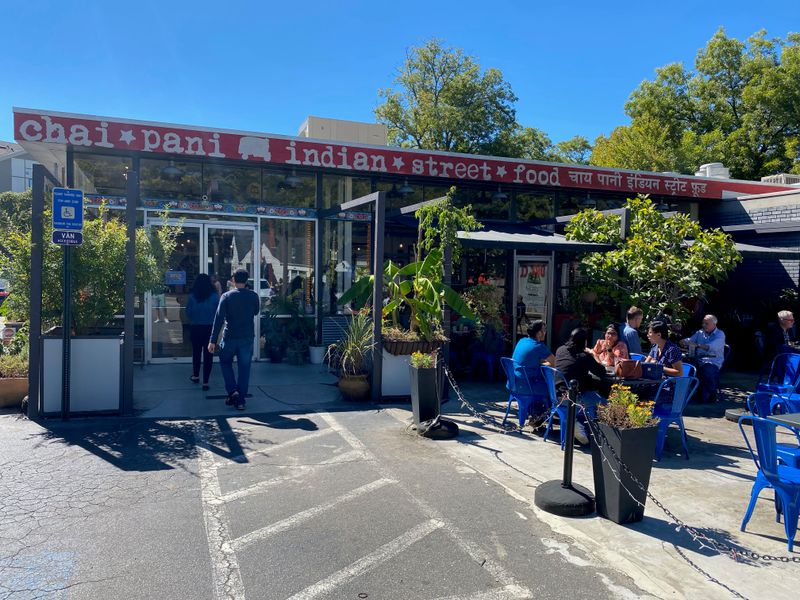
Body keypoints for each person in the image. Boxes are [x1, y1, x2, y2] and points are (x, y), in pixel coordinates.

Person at [208, 269, 260, 410]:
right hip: (247, 337)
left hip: (230, 336)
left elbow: (218, 319)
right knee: (244, 369)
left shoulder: (226, 296)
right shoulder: (254, 296)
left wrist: (212, 340)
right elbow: (256, 311)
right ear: (247, 280)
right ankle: (241, 401)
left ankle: (232, 391)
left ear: (233, 280)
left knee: (225, 363)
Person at [555, 328, 609, 444]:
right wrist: (593, 354)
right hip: (573, 398)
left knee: (591, 388)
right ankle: (601, 436)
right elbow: (601, 372)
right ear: (584, 341)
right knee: (606, 402)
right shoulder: (583, 356)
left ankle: (576, 422)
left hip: (557, 395)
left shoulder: (560, 350)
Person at [511, 320, 555, 424]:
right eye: (544, 330)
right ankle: (540, 417)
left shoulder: (522, 341)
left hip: (515, 384)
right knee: (552, 390)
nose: (545, 332)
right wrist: (546, 364)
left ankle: (535, 413)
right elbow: (555, 363)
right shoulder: (539, 346)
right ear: (539, 333)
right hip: (528, 386)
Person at [186, 274, 220, 391]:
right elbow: (219, 314)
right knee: (208, 355)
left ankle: (195, 376)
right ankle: (206, 382)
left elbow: (188, 313)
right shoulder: (215, 297)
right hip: (210, 329)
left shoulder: (192, 297)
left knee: (196, 353)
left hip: (195, 328)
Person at [681, 314, 725, 403]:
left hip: (713, 361)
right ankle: (692, 393)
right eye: (703, 323)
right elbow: (690, 340)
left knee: (707, 373)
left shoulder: (720, 334)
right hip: (699, 359)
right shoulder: (700, 332)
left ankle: (712, 394)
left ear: (714, 324)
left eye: (706, 323)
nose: (704, 325)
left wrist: (697, 345)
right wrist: (684, 341)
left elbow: (711, 347)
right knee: (686, 369)